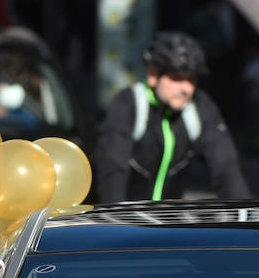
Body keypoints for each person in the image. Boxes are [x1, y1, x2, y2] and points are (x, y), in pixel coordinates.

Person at [94, 31, 250, 203]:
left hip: (170, 217)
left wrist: (244, 214)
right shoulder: (129, 104)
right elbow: (113, 169)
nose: (186, 88)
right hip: (127, 215)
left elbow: (226, 166)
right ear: (153, 76)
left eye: (191, 79)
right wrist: (115, 216)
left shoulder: (198, 106)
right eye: (177, 78)